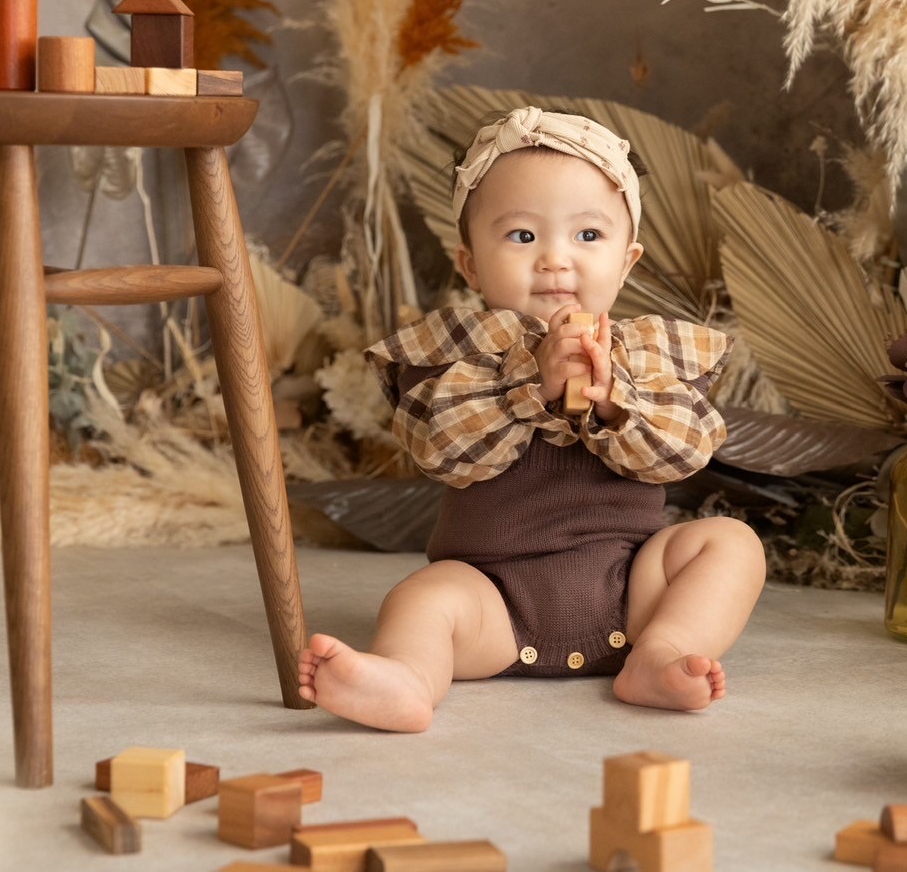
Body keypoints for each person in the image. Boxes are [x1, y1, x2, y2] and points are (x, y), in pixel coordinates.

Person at [297, 106, 767, 732]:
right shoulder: (456, 352)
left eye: (587, 237)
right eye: (522, 236)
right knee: (423, 597)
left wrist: (613, 398)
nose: (555, 260)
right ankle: (409, 677)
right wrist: (527, 386)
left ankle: (662, 654)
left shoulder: (653, 358)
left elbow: (686, 452)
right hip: (494, 600)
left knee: (731, 544)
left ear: (627, 263)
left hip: (631, 594)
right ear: (470, 264)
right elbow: (439, 448)